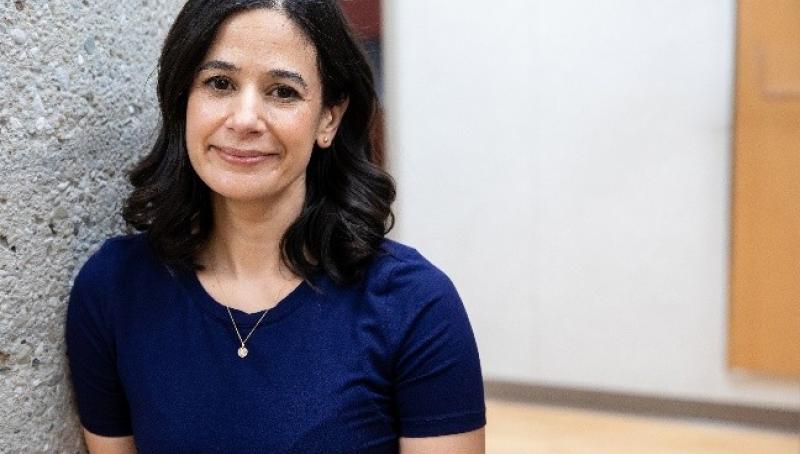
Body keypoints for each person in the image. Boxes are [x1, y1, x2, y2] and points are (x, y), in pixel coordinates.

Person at [65, 1, 485, 452]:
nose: (245, 119)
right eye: (219, 83)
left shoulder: (415, 305)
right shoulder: (113, 289)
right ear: (183, 99)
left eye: (283, 91)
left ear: (329, 118)